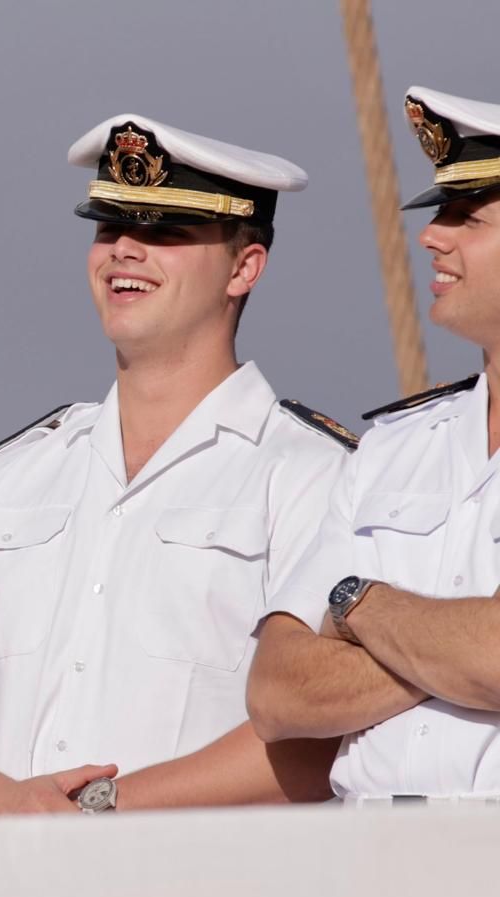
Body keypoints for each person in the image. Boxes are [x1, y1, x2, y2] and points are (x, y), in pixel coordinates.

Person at [0, 115, 348, 816]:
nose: (125, 250)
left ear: (245, 267)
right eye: (109, 227)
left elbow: (318, 732)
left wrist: (99, 809)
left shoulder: (313, 478)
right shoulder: (10, 479)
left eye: (165, 231)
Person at [247, 88, 500, 804]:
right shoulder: (392, 447)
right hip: (369, 864)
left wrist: (361, 605)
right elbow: (276, 692)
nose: (430, 235)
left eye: (466, 217)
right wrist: (455, 652)